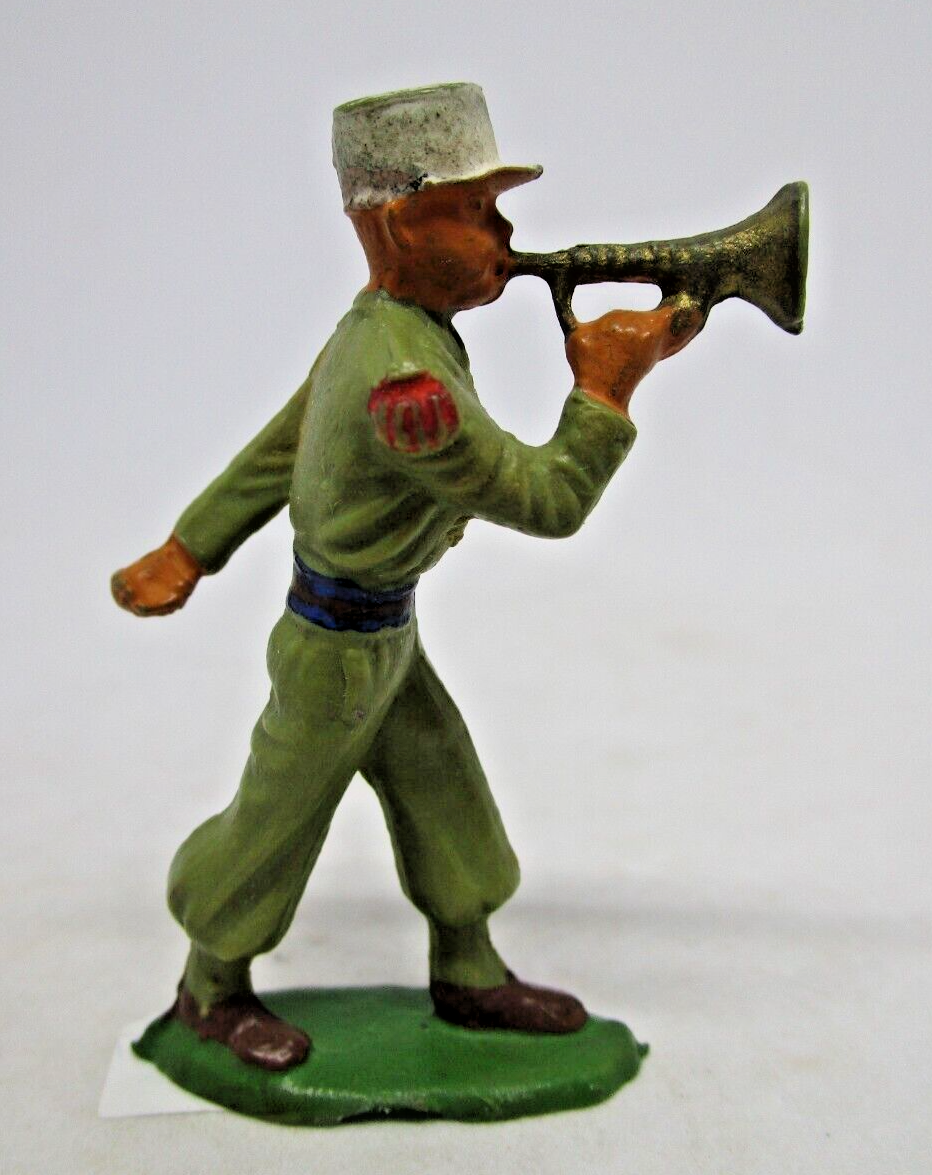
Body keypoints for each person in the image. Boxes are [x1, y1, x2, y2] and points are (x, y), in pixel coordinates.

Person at [112, 83, 699, 1072]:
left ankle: (467, 969)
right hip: (337, 651)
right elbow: (548, 500)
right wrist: (604, 390)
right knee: (275, 817)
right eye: (472, 211)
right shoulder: (405, 386)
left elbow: (286, 440)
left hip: (381, 634)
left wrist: (189, 546)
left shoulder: (381, 327)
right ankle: (209, 984)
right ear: (394, 229)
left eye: (495, 208)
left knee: (443, 786)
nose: (503, 234)